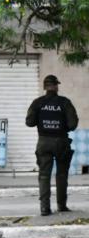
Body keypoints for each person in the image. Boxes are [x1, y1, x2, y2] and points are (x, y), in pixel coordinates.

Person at [26, 74, 78, 216]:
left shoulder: (38, 103)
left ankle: (44, 208)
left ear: (45, 87)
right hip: (61, 142)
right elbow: (73, 124)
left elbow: (29, 122)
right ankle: (62, 205)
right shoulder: (64, 102)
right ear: (56, 86)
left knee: (44, 175)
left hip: (43, 142)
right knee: (61, 175)